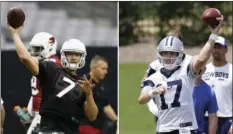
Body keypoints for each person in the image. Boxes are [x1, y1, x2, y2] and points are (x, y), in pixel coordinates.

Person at [7, 22, 98, 134]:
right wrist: (15, 34)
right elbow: (25, 58)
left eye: (77, 54)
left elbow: (92, 116)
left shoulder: (84, 84)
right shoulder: (52, 69)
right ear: (64, 55)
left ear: (82, 57)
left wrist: (88, 94)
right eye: (70, 54)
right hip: (48, 130)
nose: (73, 57)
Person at [138, 15, 223, 133]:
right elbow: (141, 98)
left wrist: (213, 35)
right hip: (164, 126)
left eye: (172, 53)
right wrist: (154, 92)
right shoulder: (154, 75)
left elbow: (202, 59)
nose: (168, 57)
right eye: (165, 53)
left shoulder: (186, 70)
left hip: (186, 128)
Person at [26, 32, 61, 134]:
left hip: (47, 117)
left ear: (49, 48)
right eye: (33, 48)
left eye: (38, 49)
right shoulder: (50, 63)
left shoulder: (49, 65)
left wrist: (33, 115)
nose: (34, 52)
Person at [79, 55, 118, 134]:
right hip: (84, 127)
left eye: (106, 69)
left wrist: (116, 120)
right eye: (103, 69)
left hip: (96, 128)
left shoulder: (100, 85)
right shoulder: (83, 83)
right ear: (93, 68)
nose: (106, 72)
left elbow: (105, 105)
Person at [202, 36, 232, 134]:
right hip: (206, 118)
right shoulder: (203, 70)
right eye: (214, 47)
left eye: (219, 47)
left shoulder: (231, 70)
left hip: (226, 118)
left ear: (226, 50)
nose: (216, 50)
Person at [193, 66, 218, 134]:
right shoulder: (180, 85)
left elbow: (213, 117)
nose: (197, 71)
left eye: (199, 68)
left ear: (204, 70)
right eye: (194, 68)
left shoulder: (209, 91)